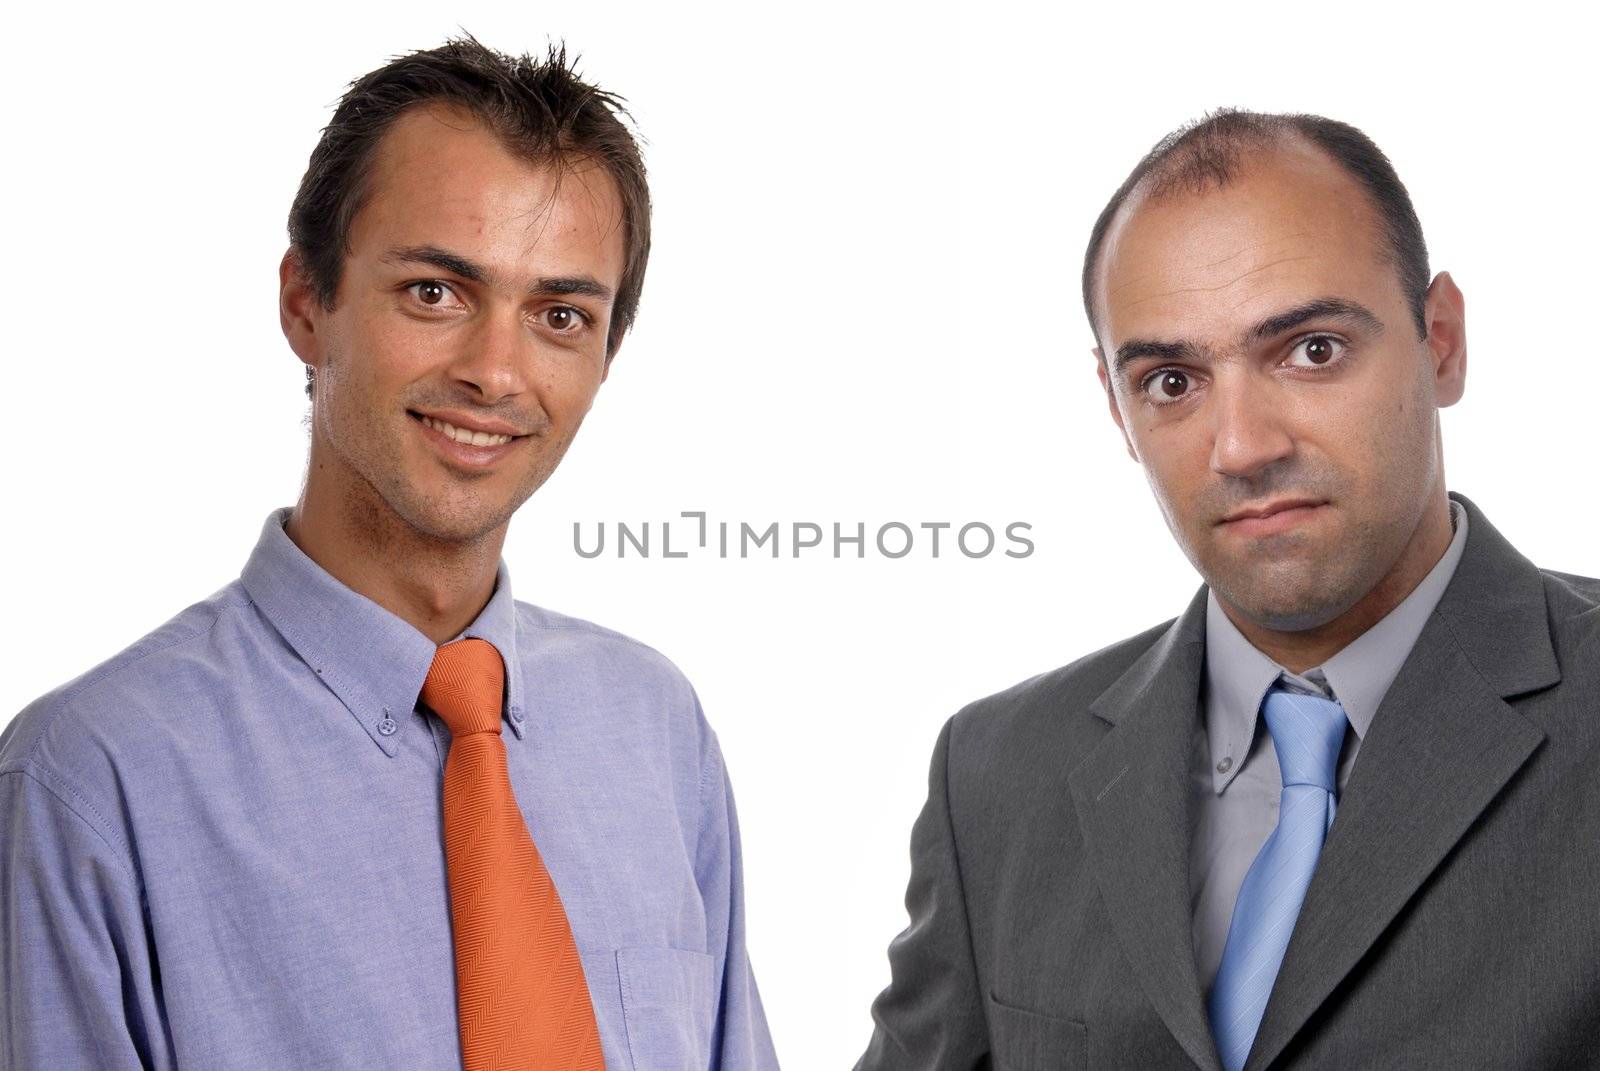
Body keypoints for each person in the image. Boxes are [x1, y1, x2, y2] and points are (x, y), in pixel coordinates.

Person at [0, 38, 778, 1070]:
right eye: (434, 293)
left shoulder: (654, 728)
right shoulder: (90, 781)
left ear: (604, 356)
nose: (496, 372)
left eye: (558, 314)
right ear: (305, 303)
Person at [857, 109, 1600, 1070]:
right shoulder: (996, 776)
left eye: (1312, 350)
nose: (1243, 445)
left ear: (1442, 339)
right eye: (1172, 380)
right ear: (1118, 411)